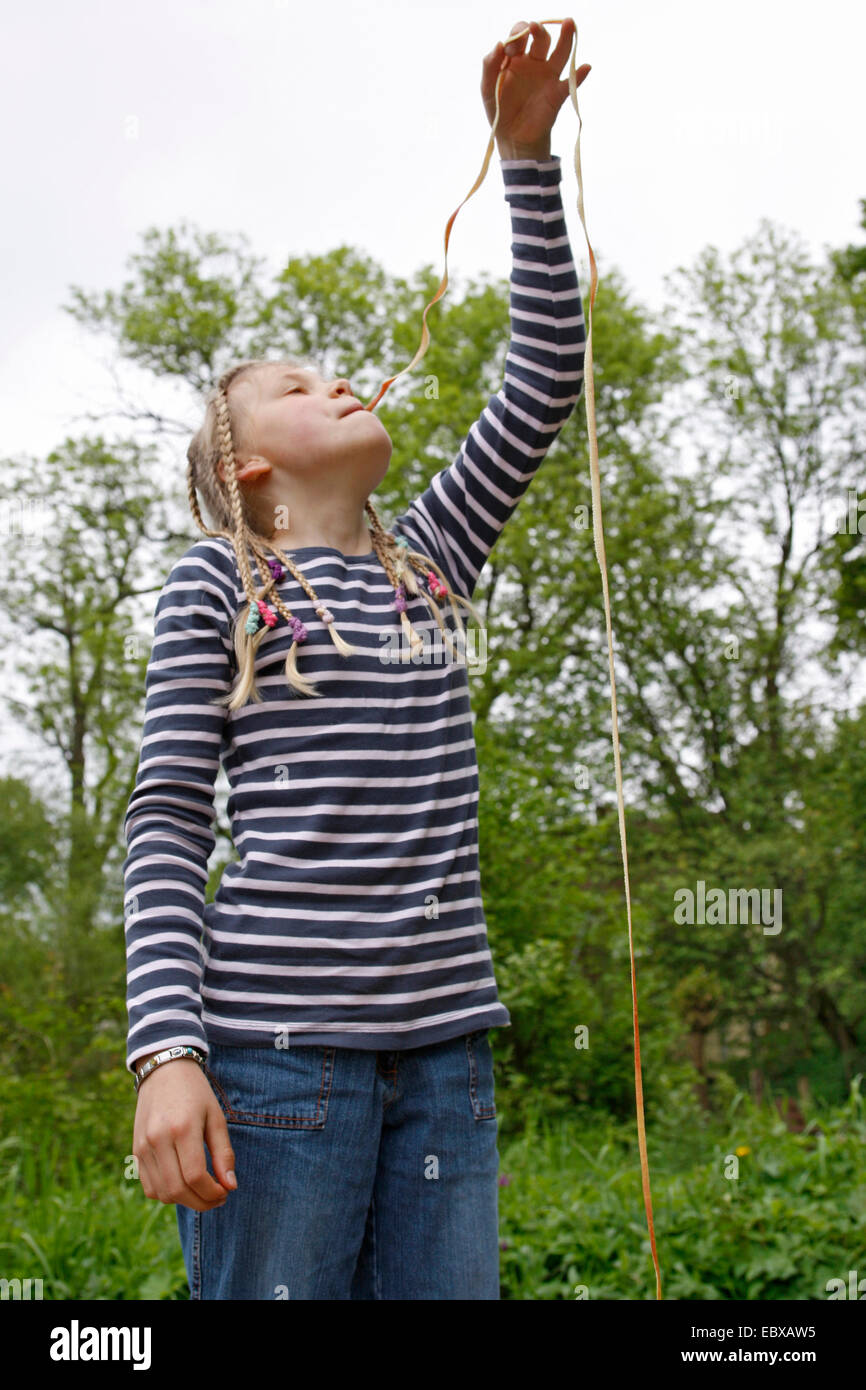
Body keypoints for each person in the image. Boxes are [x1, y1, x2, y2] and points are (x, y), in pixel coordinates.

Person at [125, 19, 589, 1300]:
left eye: (328, 368)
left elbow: (544, 368)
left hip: (445, 1066)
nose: (332, 381)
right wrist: (167, 1052)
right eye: (290, 384)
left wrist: (525, 162)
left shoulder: (427, 558)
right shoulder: (224, 578)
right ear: (246, 467)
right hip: (273, 1066)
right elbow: (166, 818)